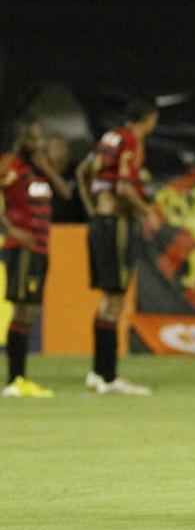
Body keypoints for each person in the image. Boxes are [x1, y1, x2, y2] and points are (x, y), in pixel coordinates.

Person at [77, 99, 160, 396]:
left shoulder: (108, 138)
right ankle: (108, 377)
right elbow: (124, 187)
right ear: (149, 119)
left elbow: (83, 172)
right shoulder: (130, 141)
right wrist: (146, 212)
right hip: (117, 225)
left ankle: (99, 373)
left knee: (108, 298)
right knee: (116, 299)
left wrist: (93, 209)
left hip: (101, 222)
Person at [0, 121, 72, 398]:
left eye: (42, 139)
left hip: (41, 249)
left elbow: (65, 193)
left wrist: (47, 167)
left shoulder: (39, 170)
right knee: (22, 310)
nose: (40, 143)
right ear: (22, 139)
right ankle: (15, 380)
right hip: (22, 248)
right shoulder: (12, 165)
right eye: (35, 138)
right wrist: (11, 230)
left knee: (30, 312)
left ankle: (20, 379)